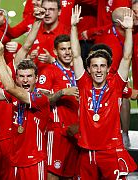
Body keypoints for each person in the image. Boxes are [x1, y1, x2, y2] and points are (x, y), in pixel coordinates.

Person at [70, 5, 137, 179]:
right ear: (89, 69)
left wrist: (129, 30)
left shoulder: (115, 84)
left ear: (108, 69)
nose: (99, 70)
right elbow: (76, 56)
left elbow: (127, 57)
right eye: (94, 66)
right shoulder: (84, 83)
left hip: (111, 152)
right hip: (87, 152)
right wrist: (73, 27)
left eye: (102, 66)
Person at [0, 41, 50, 180]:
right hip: (14, 161)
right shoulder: (14, 96)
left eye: (29, 76)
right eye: (21, 76)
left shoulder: (40, 98)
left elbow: (9, 87)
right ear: (16, 78)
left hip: (34, 162)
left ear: (36, 79)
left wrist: (0, 56)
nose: (25, 80)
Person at [36, 34, 79, 179]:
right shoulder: (49, 71)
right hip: (57, 133)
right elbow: (41, 100)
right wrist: (61, 93)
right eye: (63, 49)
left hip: (75, 132)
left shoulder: (76, 72)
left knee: (70, 175)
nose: (67, 52)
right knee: (53, 174)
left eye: (69, 48)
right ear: (55, 52)